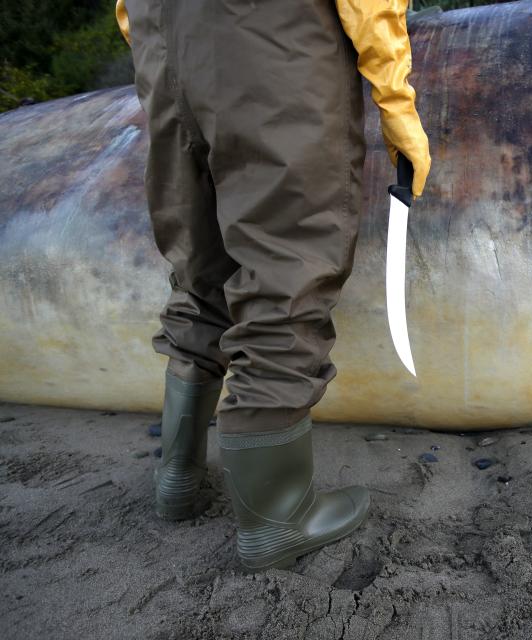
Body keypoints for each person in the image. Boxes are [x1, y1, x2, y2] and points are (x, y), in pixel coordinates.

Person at [114, 0, 431, 571]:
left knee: (199, 271)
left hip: (162, 42)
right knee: (289, 269)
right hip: (269, 37)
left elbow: (127, 14)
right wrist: (396, 100)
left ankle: (177, 477)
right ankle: (276, 516)